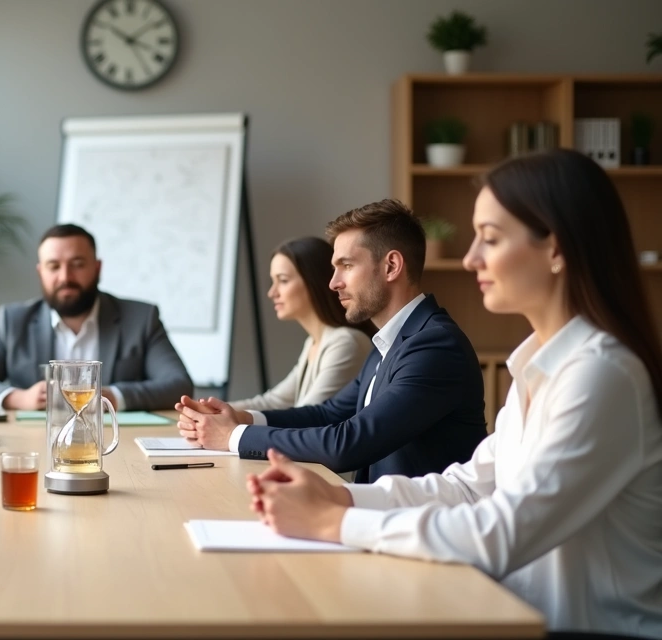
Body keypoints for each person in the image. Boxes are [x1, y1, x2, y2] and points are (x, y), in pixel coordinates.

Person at [247, 150, 662, 638]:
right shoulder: (539, 367)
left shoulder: (601, 375)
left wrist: (333, 523)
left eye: (490, 238)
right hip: (511, 614)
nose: (470, 259)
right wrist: (341, 497)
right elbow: (466, 486)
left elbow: (501, 532)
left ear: (555, 249)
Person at [177, 200, 486, 482]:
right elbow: (327, 414)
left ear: (391, 266)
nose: (333, 283)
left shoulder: (434, 345)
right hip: (378, 520)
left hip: (416, 530)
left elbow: (348, 443)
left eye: (347, 266)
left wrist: (233, 436)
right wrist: (241, 419)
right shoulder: (391, 341)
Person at [0, 223, 193, 410]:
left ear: (97, 268)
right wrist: (20, 398)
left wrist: (110, 396)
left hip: (117, 446)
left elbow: (179, 385)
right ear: (41, 272)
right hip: (38, 444)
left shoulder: (141, 318)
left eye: (77, 264)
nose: (65, 277)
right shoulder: (13, 321)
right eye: (54, 266)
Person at [231, 237, 372, 411]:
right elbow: (273, 402)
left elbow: (306, 416)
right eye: (272, 282)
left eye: (283, 280)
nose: (271, 292)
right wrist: (209, 410)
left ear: (314, 281)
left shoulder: (346, 342)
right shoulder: (314, 343)